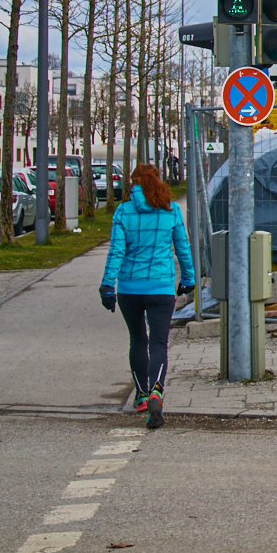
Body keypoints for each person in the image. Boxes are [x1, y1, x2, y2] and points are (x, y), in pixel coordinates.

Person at [99, 164, 195, 430]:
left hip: (129, 287)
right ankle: (156, 392)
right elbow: (182, 247)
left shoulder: (123, 211)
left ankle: (141, 396)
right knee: (158, 342)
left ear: (134, 184)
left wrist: (108, 286)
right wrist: (188, 279)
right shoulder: (171, 209)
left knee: (138, 339)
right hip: (162, 288)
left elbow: (116, 251)